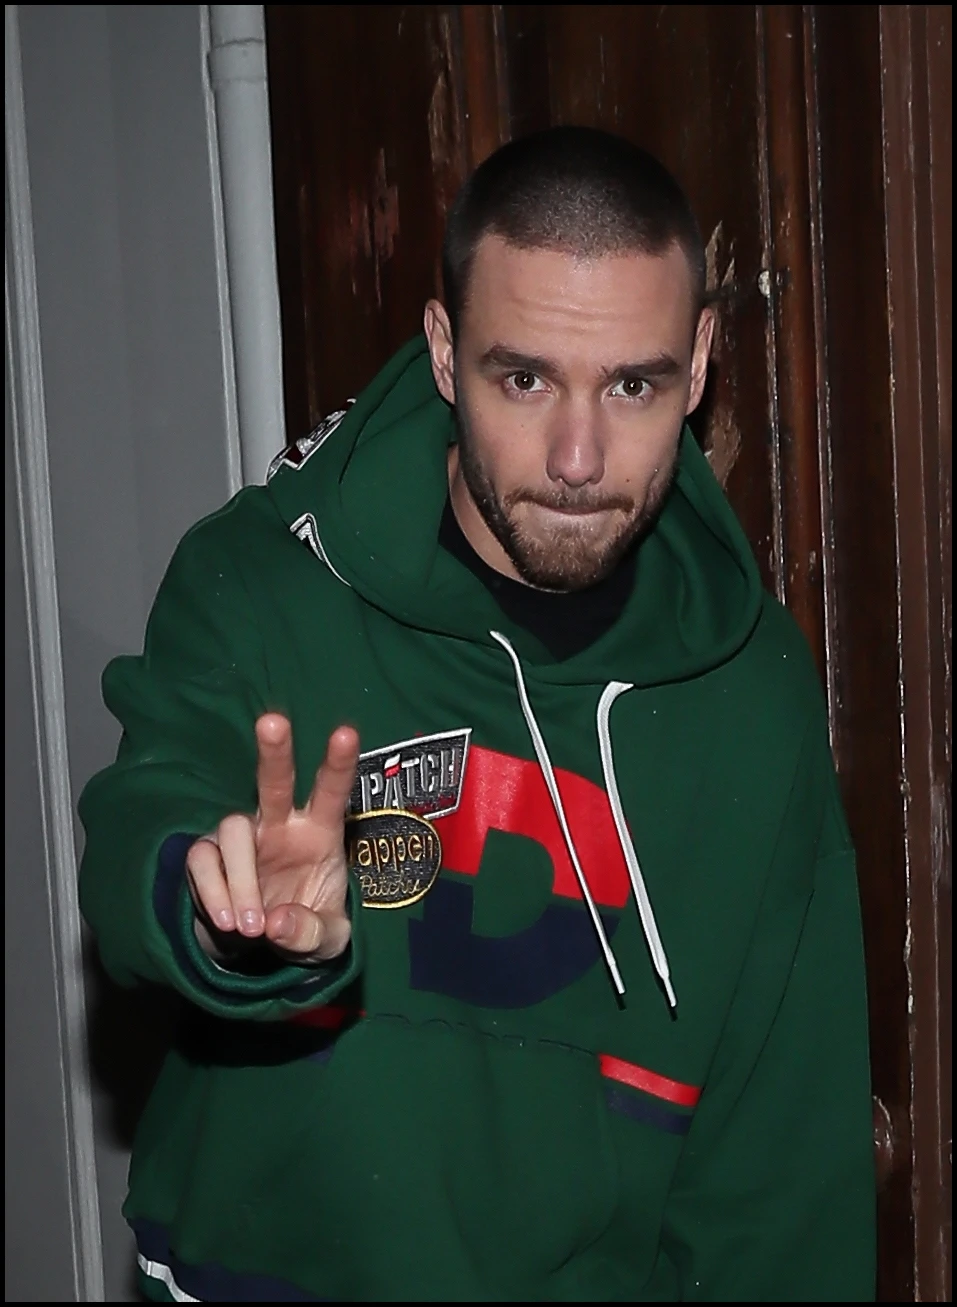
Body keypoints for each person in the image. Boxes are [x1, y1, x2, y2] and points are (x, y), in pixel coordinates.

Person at [79, 126, 876, 1303]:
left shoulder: (751, 695)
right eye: (526, 378)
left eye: (634, 384)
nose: (577, 455)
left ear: (702, 362)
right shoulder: (260, 582)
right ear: (446, 353)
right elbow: (140, 821)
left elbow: (782, 1168)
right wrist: (217, 906)